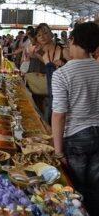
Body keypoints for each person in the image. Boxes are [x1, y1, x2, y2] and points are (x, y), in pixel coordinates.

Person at [51, 22, 99, 213]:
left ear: (72, 40)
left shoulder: (62, 74)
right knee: (95, 187)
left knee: (74, 190)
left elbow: (59, 114)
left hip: (76, 137)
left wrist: (58, 151)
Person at [33, 23, 70, 123]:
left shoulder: (64, 50)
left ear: (51, 34)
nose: (42, 37)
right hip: (52, 93)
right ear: (37, 39)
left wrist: (64, 64)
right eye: (39, 35)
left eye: (45, 33)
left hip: (66, 94)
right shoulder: (44, 54)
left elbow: (76, 69)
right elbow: (48, 65)